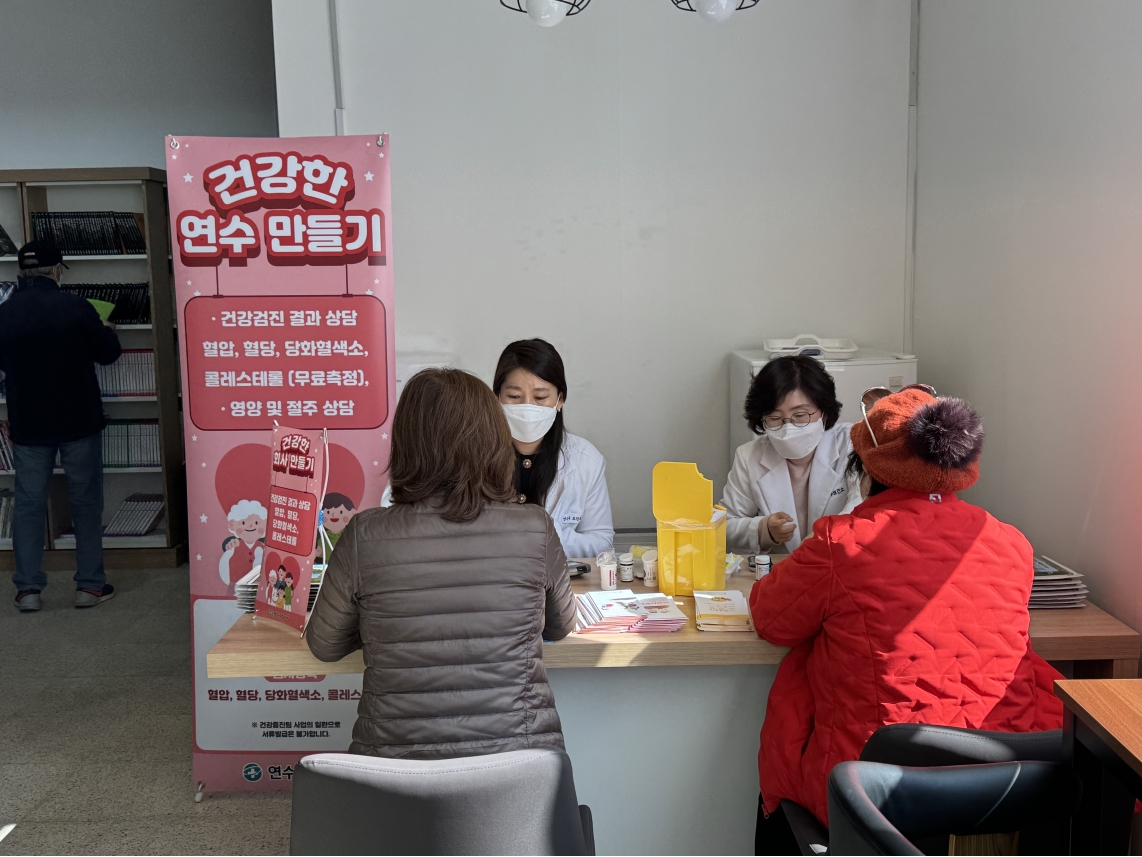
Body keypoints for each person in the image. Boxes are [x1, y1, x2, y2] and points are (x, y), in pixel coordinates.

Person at [748, 387, 1063, 847]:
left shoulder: (844, 544)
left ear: (867, 470)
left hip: (874, 786)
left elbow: (772, 620)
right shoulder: (1011, 543)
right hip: (1002, 783)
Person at [307, 368, 576, 758]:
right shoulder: (534, 527)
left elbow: (325, 645)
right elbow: (561, 626)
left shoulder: (365, 534)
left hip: (396, 779)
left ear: (406, 444)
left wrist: (384, 626)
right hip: (522, 772)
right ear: (493, 440)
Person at [3, 241, 121, 612]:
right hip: (78, 419)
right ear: (57, 271)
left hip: (28, 422)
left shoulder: (4, 314)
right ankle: (89, 586)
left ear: (22, 273)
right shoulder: (76, 308)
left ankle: (28, 590)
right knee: (85, 502)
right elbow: (108, 354)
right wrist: (106, 329)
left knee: (28, 504)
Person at [722, 355, 860, 556]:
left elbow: (864, 506)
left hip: (838, 565)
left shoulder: (852, 443)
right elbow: (725, 526)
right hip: (780, 571)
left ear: (824, 412)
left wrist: (824, 536)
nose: (788, 428)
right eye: (775, 418)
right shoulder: (748, 456)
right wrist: (764, 529)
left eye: (800, 415)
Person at [493, 339, 614, 558]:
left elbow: (601, 543)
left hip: (560, 585)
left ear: (560, 400)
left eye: (540, 397)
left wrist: (546, 533)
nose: (527, 406)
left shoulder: (585, 460)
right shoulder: (473, 456)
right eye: (514, 397)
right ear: (497, 398)